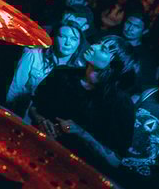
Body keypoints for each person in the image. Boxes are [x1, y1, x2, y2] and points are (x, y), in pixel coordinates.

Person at [30, 35, 137, 172]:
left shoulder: (119, 102)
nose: (93, 47)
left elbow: (115, 160)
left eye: (103, 49)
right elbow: (34, 107)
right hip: (35, 149)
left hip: (72, 170)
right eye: (98, 43)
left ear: (114, 64)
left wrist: (80, 132)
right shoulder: (62, 74)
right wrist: (41, 120)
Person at [5, 22, 84, 116]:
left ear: (79, 43)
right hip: (22, 112)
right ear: (54, 38)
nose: (67, 43)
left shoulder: (78, 69)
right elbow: (15, 88)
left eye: (73, 39)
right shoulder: (34, 55)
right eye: (62, 37)